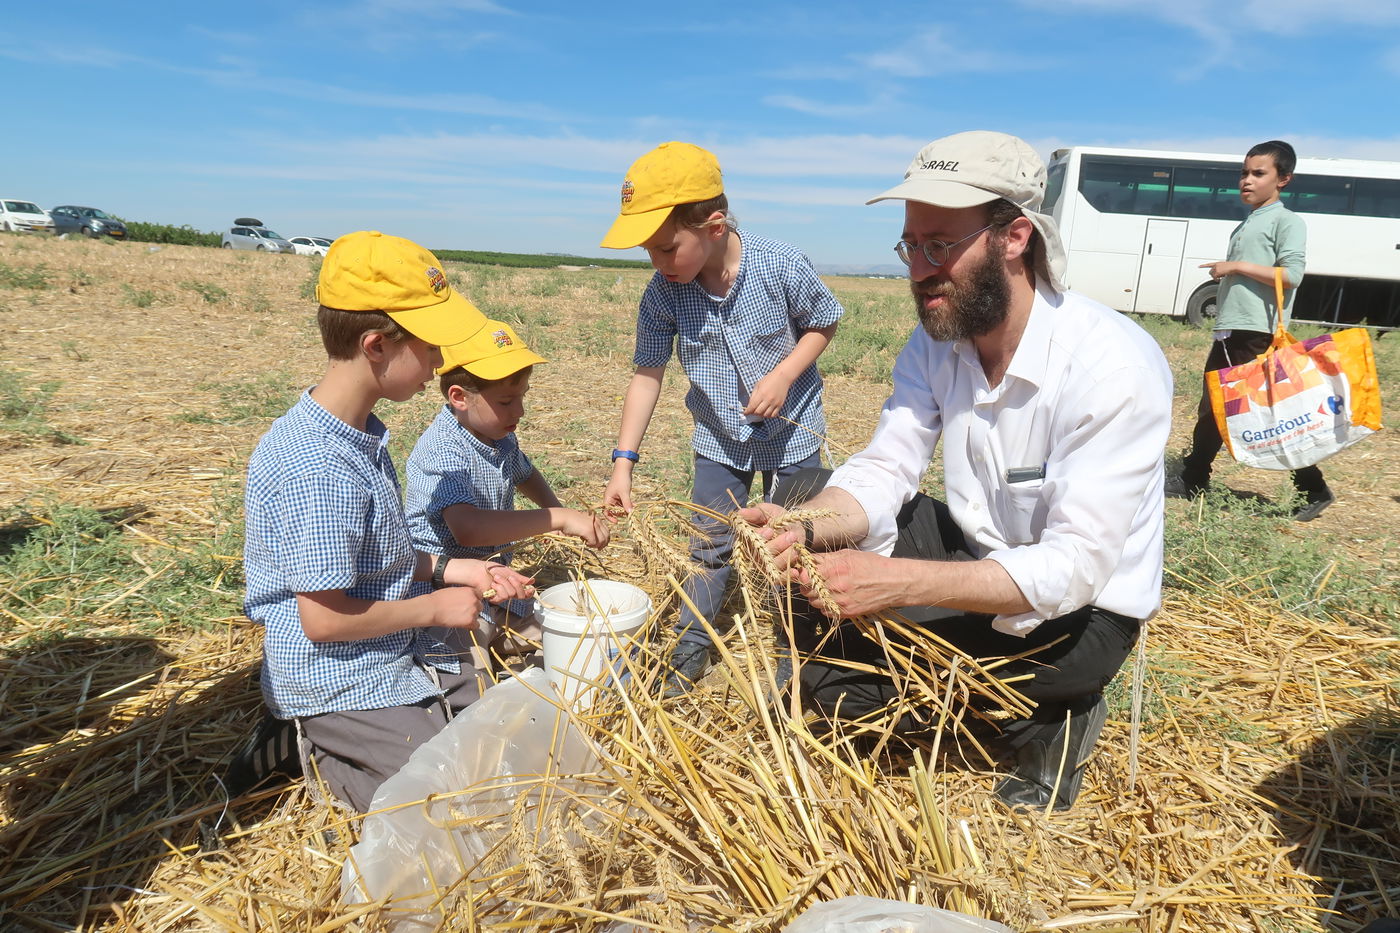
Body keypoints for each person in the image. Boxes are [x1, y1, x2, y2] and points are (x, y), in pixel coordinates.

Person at [739, 131, 1174, 811]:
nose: (918, 270)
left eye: (940, 245)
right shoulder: (938, 342)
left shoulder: (1113, 367)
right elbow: (888, 464)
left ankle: (1058, 712)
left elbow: (1075, 568)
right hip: (982, 555)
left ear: (1015, 238)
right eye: (911, 245)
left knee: (839, 689)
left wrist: (897, 581)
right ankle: (966, 681)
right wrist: (802, 526)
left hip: (1080, 617)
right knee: (805, 516)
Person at [242, 231, 534, 813]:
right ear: (377, 345)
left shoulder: (361, 436)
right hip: (341, 672)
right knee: (447, 803)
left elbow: (382, 559)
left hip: (390, 641)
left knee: (491, 732)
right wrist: (433, 607)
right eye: (430, 349)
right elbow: (323, 620)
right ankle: (308, 742)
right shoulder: (320, 469)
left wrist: (458, 569)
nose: (438, 364)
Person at [599, 141, 844, 692]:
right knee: (707, 544)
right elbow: (647, 373)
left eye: (666, 248)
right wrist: (623, 463)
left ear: (714, 225)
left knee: (794, 544)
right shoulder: (664, 293)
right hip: (720, 440)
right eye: (649, 253)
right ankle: (693, 641)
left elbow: (823, 322)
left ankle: (796, 651)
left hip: (793, 435)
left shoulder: (778, 265)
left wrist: (783, 375)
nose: (658, 264)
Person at [405, 319, 610, 671]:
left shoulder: (498, 434)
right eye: (506, 400)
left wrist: (558, 511)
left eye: (522, 397)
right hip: (448, 590)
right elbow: (468, 529)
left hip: (501, 588)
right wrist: (557, 519)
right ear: (459, 398)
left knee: (567, 642)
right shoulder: (444, 449)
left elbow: (524, 473)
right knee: (473, 674)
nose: (519, 411)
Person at [1173, 140, 1334, 521]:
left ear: (1284, 179)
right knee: (1214, 405)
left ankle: (1313, 488)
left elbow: (1292, 276)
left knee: (1269, 410)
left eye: (1258, 173)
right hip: (1232, 330)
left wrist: (1234, 267)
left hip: (1258, 332)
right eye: (1244, 173)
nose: (1247, 180)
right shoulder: (1251, 219)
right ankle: (1195, 478)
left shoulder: (1286, 220)